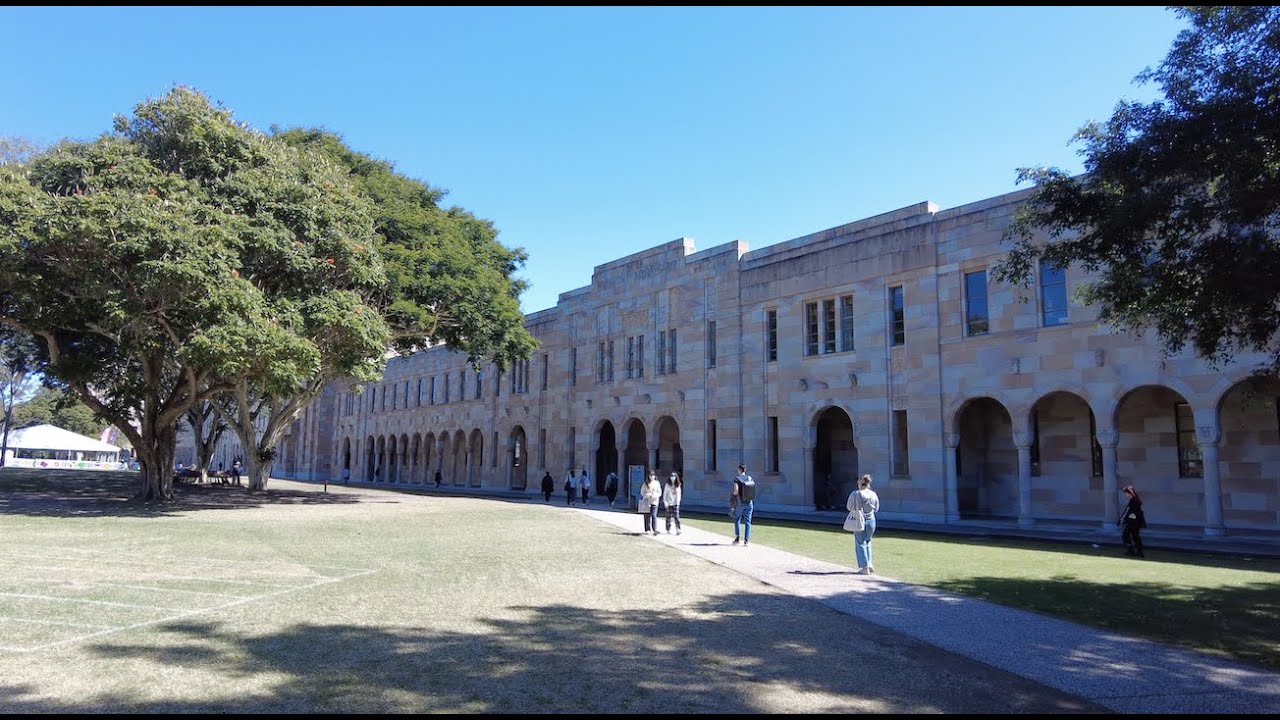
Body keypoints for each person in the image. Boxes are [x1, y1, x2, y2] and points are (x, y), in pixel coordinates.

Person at [849, 474, 881, 574]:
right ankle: (869, 563)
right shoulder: (873, 494)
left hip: (859, 519)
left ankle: (864, 566)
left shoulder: (855, 493)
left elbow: (849, 507)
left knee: (860, 542)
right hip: (871, 520)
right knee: (868, 541)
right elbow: (876, 508)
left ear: (860, 482)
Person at [731, 464, 756, 546]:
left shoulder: (737, 479)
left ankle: (737, 538)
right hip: (749, 502)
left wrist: (732, 495)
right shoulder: (750, 478)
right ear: (745, 470)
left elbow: (736, 491)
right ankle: (746, 540)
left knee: (737, 519)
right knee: (748, 522)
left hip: (740, 503)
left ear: (739, 470)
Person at [1117, 484, 1146, 558]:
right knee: (1135, 536)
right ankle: (1139, 552)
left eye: (1126, 493)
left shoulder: (1133, 501)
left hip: (1133, 522)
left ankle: (1131, 550)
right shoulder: (1136, 500)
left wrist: (1121, 520)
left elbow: (1127, 511)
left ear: (1129, 493)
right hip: (1136, 522)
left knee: (1126, 535)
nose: (1125, 494)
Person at [639, 470, 663, 535]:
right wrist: (647, 495)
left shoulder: (657, 483)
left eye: (653, 475)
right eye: (651, 475)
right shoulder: (645, 483)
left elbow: (659, 492)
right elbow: (642, 492)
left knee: (654, 515)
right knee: (647, 516)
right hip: (647, 501)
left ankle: (655, 529)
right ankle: (647, 529)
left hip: (654, 501)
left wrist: (655, 495)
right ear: (648, 476)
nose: (652, 477)